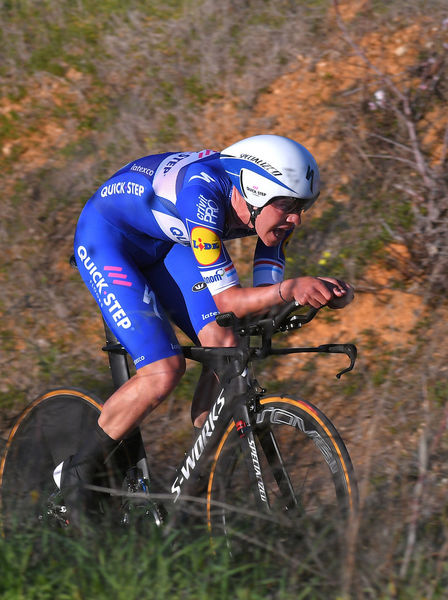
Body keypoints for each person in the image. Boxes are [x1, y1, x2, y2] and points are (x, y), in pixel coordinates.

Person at [60, 134, 354, 523]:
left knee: (227, 345)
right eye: (287, 206)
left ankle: (202, 461)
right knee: (163, 372)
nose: (296, 218)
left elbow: (264, 298)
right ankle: (74, 481)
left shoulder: (269, 212)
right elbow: (230, 300)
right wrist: (291, 288)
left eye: (303, 207)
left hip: (169, 240)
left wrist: (316, 294)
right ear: (254, 191)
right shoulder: (204, 194)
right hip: (109, 238)